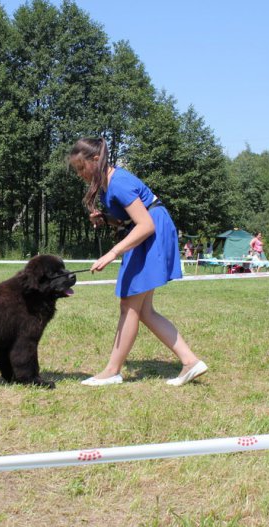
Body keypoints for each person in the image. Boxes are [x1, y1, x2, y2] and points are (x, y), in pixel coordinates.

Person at [69, 137, 207, 387]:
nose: (80, 174)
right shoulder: (108, 184)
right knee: (143, 310)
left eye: (81, 168)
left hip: (150, 233)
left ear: (96, 160)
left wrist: (112, 253)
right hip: (149, 231)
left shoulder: (118, 182)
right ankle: (190, 361)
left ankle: (112, 371)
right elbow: (133, 218)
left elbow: (145, 224)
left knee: (129, 306)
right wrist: (107, 219)